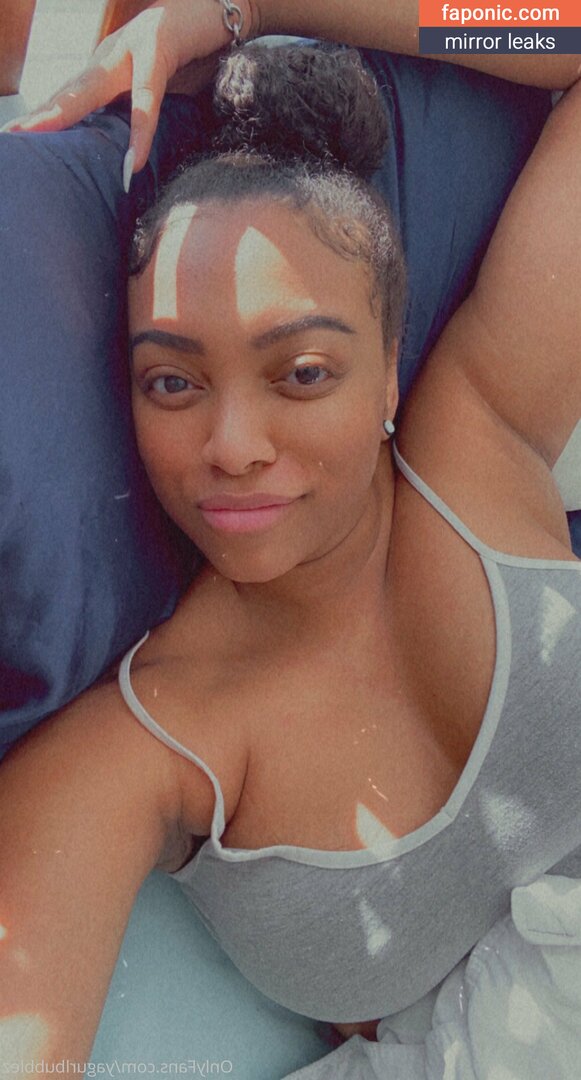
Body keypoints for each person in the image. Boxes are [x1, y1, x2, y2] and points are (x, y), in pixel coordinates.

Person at [1, 34, 580, 1076]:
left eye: (302, 372)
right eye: (172, 383)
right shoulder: (136, 753)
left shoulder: (477, 437)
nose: (232, 447)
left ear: (388, 371)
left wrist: (246, 6)